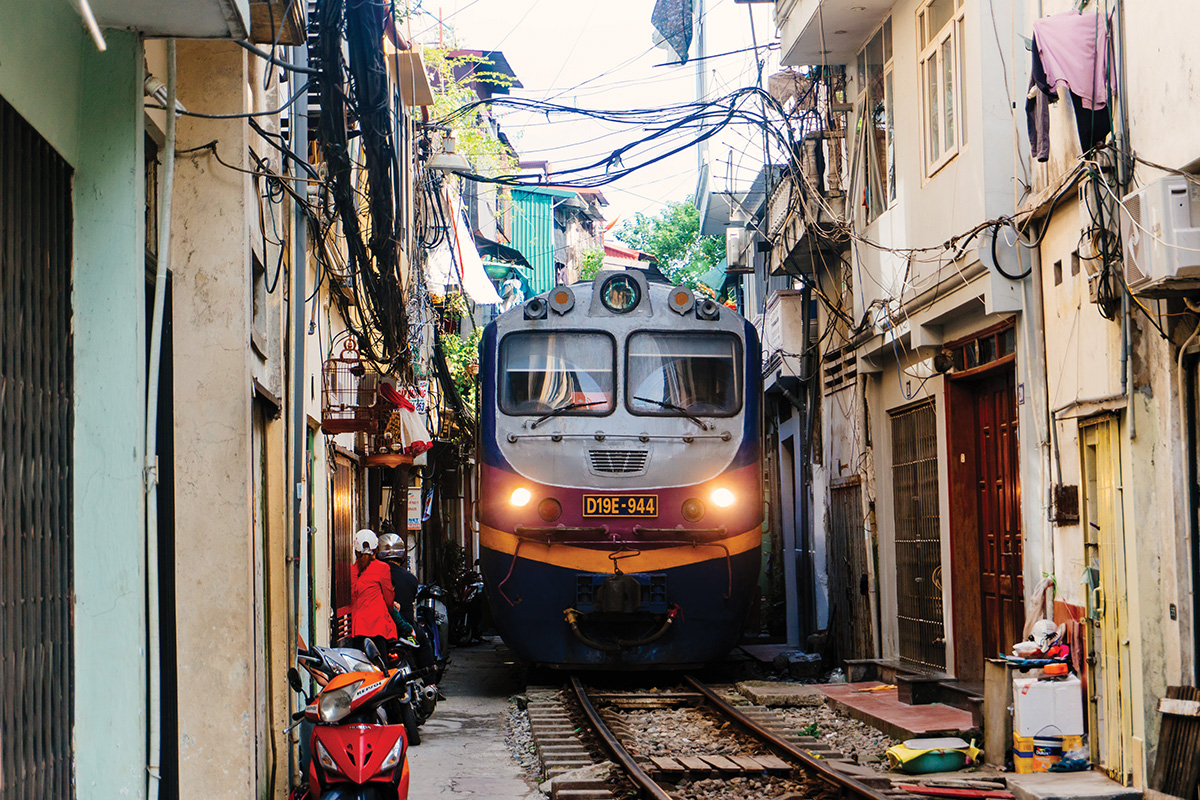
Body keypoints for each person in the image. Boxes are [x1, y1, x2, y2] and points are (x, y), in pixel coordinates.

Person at [377, 533, 427, 656]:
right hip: (405, 631)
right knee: (423, 641)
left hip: (379, 630)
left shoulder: (372, 575)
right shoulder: (410, 579)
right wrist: (408, 629)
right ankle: (430, 672)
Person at [350, 529, 397, 648]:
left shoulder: (351, 571)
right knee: (382, 663)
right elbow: (388, 596)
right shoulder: (382, 568)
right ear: (376, 549)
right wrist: (391, 609)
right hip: (378, 625)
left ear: (356, 551)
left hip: (358, 627)